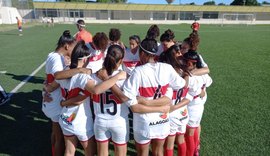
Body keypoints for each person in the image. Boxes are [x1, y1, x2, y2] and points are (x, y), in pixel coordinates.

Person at [123, 38, 186, 156]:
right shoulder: (166, 68)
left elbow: (131, 103)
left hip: (144, 120)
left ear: (142, 53)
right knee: (158, 152)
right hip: (162, 118)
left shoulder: (138, 71)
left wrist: (145, 102)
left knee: (143, 153)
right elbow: (181, 84)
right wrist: (166, 96)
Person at [45, 41, 96, 156]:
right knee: (90, 152)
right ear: (84, 60)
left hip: (65, 118)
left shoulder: (64, 72)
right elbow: (84, 96)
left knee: (69, 151)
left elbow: (50, 87)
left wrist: (45, 87)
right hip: (80, 121)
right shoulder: (83, 77)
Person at [42, 30, 77, 156]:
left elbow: (50, 77)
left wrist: (46, 87)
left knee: (55, 132)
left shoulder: (53, 55)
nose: (74, 50)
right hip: (55, 101)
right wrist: (76, 69)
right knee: (59, 137)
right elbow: (59, 76)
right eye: (73, 47)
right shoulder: (57, 58)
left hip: (51, 99)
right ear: (66, 46)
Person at [159, 45, 193, 156]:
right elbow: (189, 94)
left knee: (169, 144)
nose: (180, 54)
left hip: (172, 113)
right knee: (181, 139)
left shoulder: (168, 74)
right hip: (183, 112)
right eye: (178, 52)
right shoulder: (185, 71)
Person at [182, 51, 212, 156]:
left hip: (192, 107)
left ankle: (191, 153)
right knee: (194, 130)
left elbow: (187, 87)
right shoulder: (202, 73)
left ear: (190, 63)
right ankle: (195, 150)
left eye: (185, 62)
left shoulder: (190, 77)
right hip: (199, 105)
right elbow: (209, 81)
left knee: (189, 133)